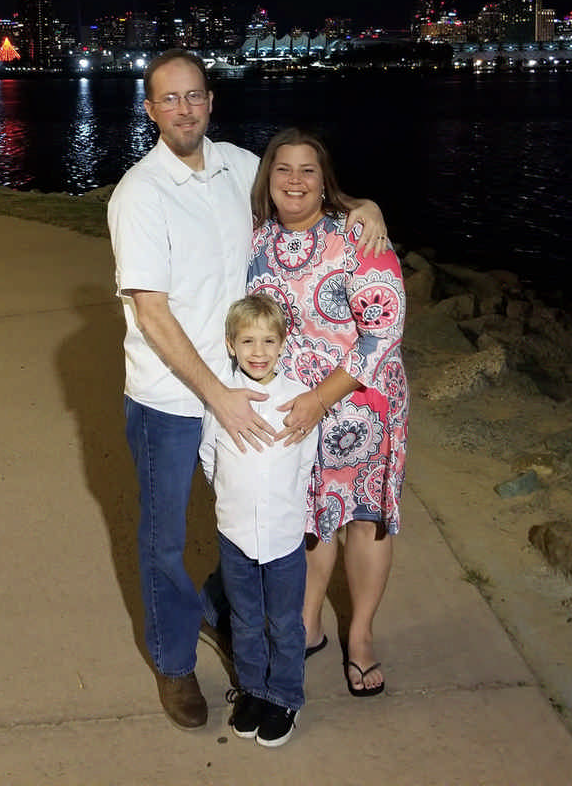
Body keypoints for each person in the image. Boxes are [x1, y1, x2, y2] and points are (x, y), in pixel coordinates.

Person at [107, 50, 387, 729]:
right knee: (164, 539)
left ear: (210, 101)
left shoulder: (237, 166)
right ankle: (175, 662)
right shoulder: (139, 194)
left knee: (253, 522)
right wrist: (217, 394)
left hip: (249, 388)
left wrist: (363, 205)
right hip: (173, 400)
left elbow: (301, 187)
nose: (184, 109)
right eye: (169, 99)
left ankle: (216, 607)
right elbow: (152, 313)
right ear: (150, 110)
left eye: (193, 96)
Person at [247, 127, 407, 698]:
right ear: (267, 178)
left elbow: (383, 330)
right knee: (311, 517)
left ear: (324, 181)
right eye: (283, 168)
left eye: (307, 170)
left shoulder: (357, 235)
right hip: (295, 409)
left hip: (361, 406)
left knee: (363, 518)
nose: (294, 180)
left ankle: (360, 636)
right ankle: (309, 624)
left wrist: (322, 398)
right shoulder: (256, 240)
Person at [199, 295, 319, 748]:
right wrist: (233, 500)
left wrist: (283, 506)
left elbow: (305, 462)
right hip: (235, 537)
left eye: (269, 340)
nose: (258, 351)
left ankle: (284, 696)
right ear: (231, 345)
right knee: (245, 619)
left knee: (284, 623)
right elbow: (209, 457)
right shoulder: (221, 402)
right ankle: (253, 689)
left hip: (284, 538)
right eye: (247, 341)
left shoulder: (298, 401)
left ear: (283, 344)